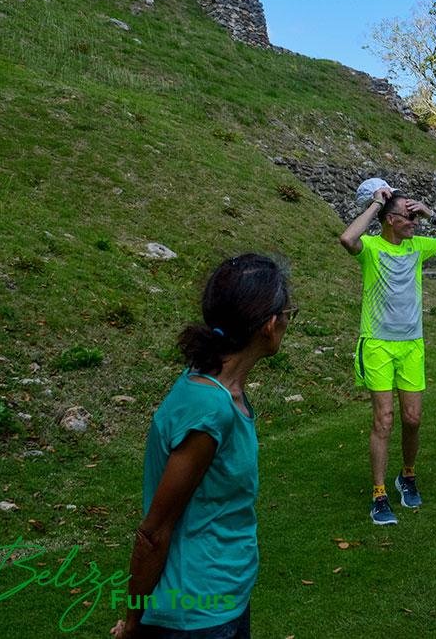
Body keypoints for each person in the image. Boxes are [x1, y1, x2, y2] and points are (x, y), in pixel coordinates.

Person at [114, 254, 294, 638]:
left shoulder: (218, 386)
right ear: (269, 325)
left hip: (225, 596)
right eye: (288, 314)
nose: (287, 323)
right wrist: (133, 621)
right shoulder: (209, 409)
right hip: (196, 613)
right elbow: (153, 532)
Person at [340, 185, 436, 525]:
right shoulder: (371, 247)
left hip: (411, 344)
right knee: (383, 420)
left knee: (412, 419)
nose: (414, 222)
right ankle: (379, 494)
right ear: (390, 220)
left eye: (416, 216)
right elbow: (347, 238)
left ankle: (407, 475)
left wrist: (432, 214)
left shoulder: (418, 247)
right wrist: (376, 204)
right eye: (408, 216)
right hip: (377, 345)